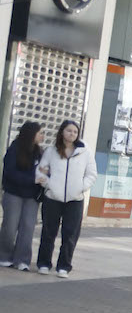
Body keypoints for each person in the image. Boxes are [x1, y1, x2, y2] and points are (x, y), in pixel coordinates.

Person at [33, 119, 93, 277]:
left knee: (70, 235)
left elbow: (91, 174)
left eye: (75, 131)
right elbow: (41, 171)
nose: (72, 134)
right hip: (52, 198)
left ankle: (64, 266)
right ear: (62, 132)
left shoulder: (85, 152)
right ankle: (44, 263)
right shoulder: (51, 151)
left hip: (75, 200)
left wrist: (81, 187)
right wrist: (49, 184)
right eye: (69, 130)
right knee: (48, 232)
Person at [2, 121, 44, 271]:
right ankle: (4, 256)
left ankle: (23, 259)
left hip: (32, 196)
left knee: (28, 227)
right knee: (10, 226)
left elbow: (44, 170)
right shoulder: (15, 149)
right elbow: (10, 172)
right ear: (31, 134)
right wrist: (32, 179)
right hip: (13, 193)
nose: (42, 136)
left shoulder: (40, 152)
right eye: (40, 133)